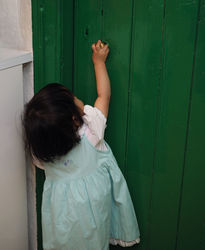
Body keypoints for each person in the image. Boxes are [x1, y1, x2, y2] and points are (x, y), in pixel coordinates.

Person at [23, 40, 140, 250]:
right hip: (91, 217)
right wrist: (99, 62)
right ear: (75, 118)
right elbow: (104, 96)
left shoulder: (41, 151)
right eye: (73, 98)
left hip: (61, 218)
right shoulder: (92, 131)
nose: (76, 97)